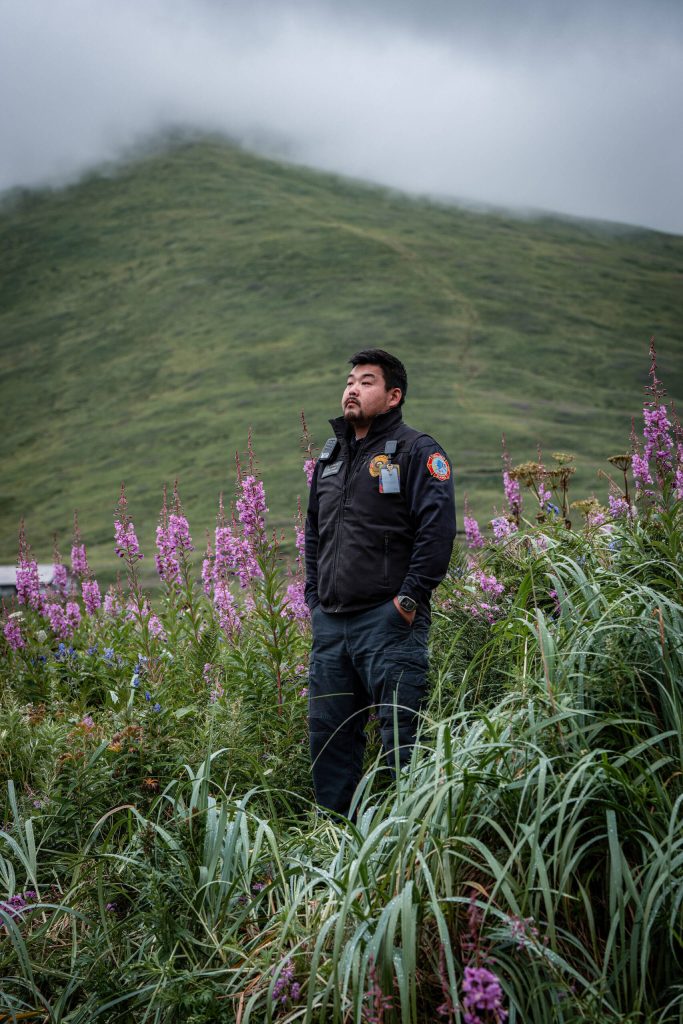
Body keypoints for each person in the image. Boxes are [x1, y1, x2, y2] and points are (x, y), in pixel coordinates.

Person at [304, 349, 456, 816]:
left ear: (393, 396)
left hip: (388, 623)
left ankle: (406, 841)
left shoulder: (417, 451)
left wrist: (407, 601)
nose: (352, 389)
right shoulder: (329, 458)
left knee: (401, 742)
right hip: (331, 626)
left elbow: (437, 532)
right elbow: (313, 534)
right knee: (328, 742)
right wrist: (313, 600)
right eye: (349, 381)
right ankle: (335, 844)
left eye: (366, 382)